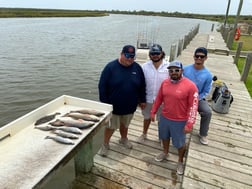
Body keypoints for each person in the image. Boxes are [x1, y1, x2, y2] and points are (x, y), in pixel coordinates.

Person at [150, 60, 198, 175]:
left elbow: (194, 106)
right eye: (171, 70)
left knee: (180, 144)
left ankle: (180, 161)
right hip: (165, 118)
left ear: (182, 71)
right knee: (164, 137)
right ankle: (165, 152)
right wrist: (153, 111)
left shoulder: (191, 86)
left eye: (176, 70)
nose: (174, 72)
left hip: (180, 121)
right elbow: (159, 99)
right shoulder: (165, 83)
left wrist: (189, 124)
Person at [98, 45, 146, 157]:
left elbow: (142, 86)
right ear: (121, 54)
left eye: (132, 56)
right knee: (110, 127)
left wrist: (142, 100)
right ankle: (105, 144)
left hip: (130, 106)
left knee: (125, 124)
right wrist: (105, 105)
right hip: (113, 107)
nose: (130, 59)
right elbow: (102, 86)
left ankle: (123, 139)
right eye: (127, 55)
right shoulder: (110, 67)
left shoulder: (137, 68)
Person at [137, 44, 169, 143]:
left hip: (163, 100)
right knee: (146, 117)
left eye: (157, 53)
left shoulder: (169, 66)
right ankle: (144, 134)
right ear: (150, 55)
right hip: (148, 98)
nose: (155, 55)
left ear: (162, 53)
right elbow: (140, 84)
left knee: (162, 120)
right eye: (153, 53)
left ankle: (161, 137)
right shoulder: (144, 67)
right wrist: (140, 100)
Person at [183, 47, 212, 145]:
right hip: (183, 97)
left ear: (206, 58)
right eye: (197, 56)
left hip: (198, 99)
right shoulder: (185, 69)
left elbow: (206, 91)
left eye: (202, 56)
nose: (199, 58)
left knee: (207, 112)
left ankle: (203, 134)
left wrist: (195, 99)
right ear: (194, 57)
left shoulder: (208, 75)